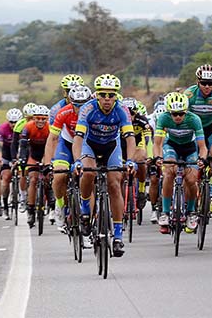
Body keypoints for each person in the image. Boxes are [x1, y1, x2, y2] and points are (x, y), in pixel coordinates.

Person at [72, 74, 136, 257]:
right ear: (96, 95)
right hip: (89, 145)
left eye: (111, 95)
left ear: (116, 96)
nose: (107, 99)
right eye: (103, 95)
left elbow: (129, 138)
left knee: (115, 184)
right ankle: (85, 210)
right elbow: (78, 138)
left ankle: (117, 236)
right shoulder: (87, 109)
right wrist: (77, 161)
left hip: (111, 146)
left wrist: (130, 160)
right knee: (88, 173)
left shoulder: (122, 110)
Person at [153, 92, 207, 234]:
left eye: (181, 114)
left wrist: (202, 159)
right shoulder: (163, 118)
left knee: (191, 179)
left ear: (186, 112)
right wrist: (157, 157)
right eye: (174, 114)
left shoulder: (194, 119)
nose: (178, 117)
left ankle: (190, 212)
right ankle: (165, 212)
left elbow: (202, 146)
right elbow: (157, 144)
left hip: (190, 148)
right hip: (171, 146)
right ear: (169, 112)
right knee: (169, 172)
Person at [43, 85, 93, 232]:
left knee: (90, 178)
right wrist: (48, 162)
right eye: (76, 105)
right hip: (66, 144)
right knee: (59, 176)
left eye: (83, 104)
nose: (80, 108)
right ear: (70, 102)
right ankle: (59, 204)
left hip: (86, 145)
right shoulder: (63, 112)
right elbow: (52, 138)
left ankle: (91, 219)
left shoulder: (94, 112)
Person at [184, 64, 212, 214]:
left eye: (211, 84)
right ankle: (187, 201)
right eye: (204, 83)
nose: (207, 87)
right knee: (190, 163)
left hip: (210, 128)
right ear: (198, 82)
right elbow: (182, 118)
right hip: (193, 130)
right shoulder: (189, 95)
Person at [19, 105, 54, 228]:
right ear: (34, 118)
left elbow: (54, 145)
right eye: (38, 118)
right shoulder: (28, 127)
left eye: (43, 119)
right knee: (33, 179)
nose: (40, 121)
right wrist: (22, 159)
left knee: (48, 177)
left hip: (46, 153)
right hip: (33, 154)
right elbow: (23, 145)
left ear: (47, 119)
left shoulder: (50, 127)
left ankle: (52, 204)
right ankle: (31, 209)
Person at [121, 97, 151, 210]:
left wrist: (150, 155)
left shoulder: (142, 120)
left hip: (138, 144)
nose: (130, 116)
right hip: (121, 146)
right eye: (127, 113)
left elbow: (148, 140)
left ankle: (142, 190)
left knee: (141, 161)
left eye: (132, 113)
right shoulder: (118, 119)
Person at [0, 108, 23, 220]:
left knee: (24, 175)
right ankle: (5, 205)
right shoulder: (2, 128)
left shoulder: (24, 127)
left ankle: (24, 198)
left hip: (20, 152)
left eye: (16, 122)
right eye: (11, 122)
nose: (13, 124)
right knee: (6, 178)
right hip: (6, 154)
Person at [11, 102, 38, 211]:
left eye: (33, 118)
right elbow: (14, 143)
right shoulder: (20, 124)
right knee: (23, 172)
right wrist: (14, 158)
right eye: (28, 118)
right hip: (24, 149)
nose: (31, 121)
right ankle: (22, 198)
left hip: (36, 149)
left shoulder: (41, 124)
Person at [146, 102, 166, 223]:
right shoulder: (150, 121)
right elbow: (148, 140)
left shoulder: (171, 120)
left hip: (166, 147)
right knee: (154, 179)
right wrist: (150, 156)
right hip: (153, 146)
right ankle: (154, 208)